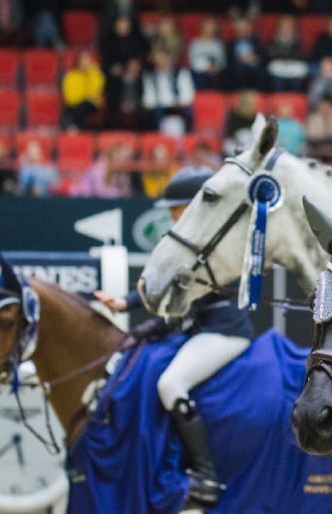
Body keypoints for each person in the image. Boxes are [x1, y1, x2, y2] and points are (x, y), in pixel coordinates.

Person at [94, 167, 253, 506]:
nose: (171, 213)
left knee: (170, 384)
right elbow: (162, 282)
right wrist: (125, 301)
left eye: (176, 206)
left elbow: (189, 299)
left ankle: (206, 475)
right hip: (198, 329)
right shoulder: (188, 240)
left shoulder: (217, 242)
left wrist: (153, 326)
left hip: (223, 331)